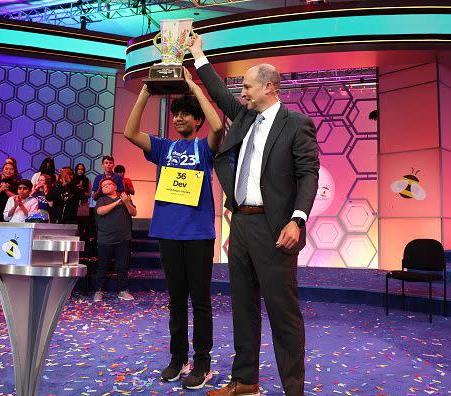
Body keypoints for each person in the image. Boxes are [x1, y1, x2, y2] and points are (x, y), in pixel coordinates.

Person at [190, 35, 319, 396]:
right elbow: (218, 93)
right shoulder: (245, 117)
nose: (242, 93)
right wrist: (198, 56)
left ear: (269, 87)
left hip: (275, 228)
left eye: (247, 86)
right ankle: (244, 382)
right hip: (242, 224)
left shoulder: (296, 124)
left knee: (283, 314)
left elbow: (309, 173)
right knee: (242, 308)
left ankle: (294, 389)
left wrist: (298, 218)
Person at [123, 67, 223, 389]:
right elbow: (129, 133)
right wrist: (145, 91)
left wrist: (194, 88)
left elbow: (219, 125)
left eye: (185, 115)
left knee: (201, 301)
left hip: (198, 235)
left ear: (196, 121)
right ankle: (178, 358)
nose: (179, 119)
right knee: (176, 301)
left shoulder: (204, 148)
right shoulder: (165, 148)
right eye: (176, 115)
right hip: (168, 233)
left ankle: (202, 363)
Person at [93, 177, 137, 302]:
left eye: (109, 184)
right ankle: (99, 290)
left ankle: (123, 291)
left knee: (122, 266)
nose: (106, 186)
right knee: (103, 266)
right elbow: (100, 212)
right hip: (105, 239)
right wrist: (117, 203)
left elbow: (134, 213)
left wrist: (127, 202)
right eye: (103, 186)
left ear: (115, 186)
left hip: (123, 238)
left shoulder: (124, 197)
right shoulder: (101, 200)